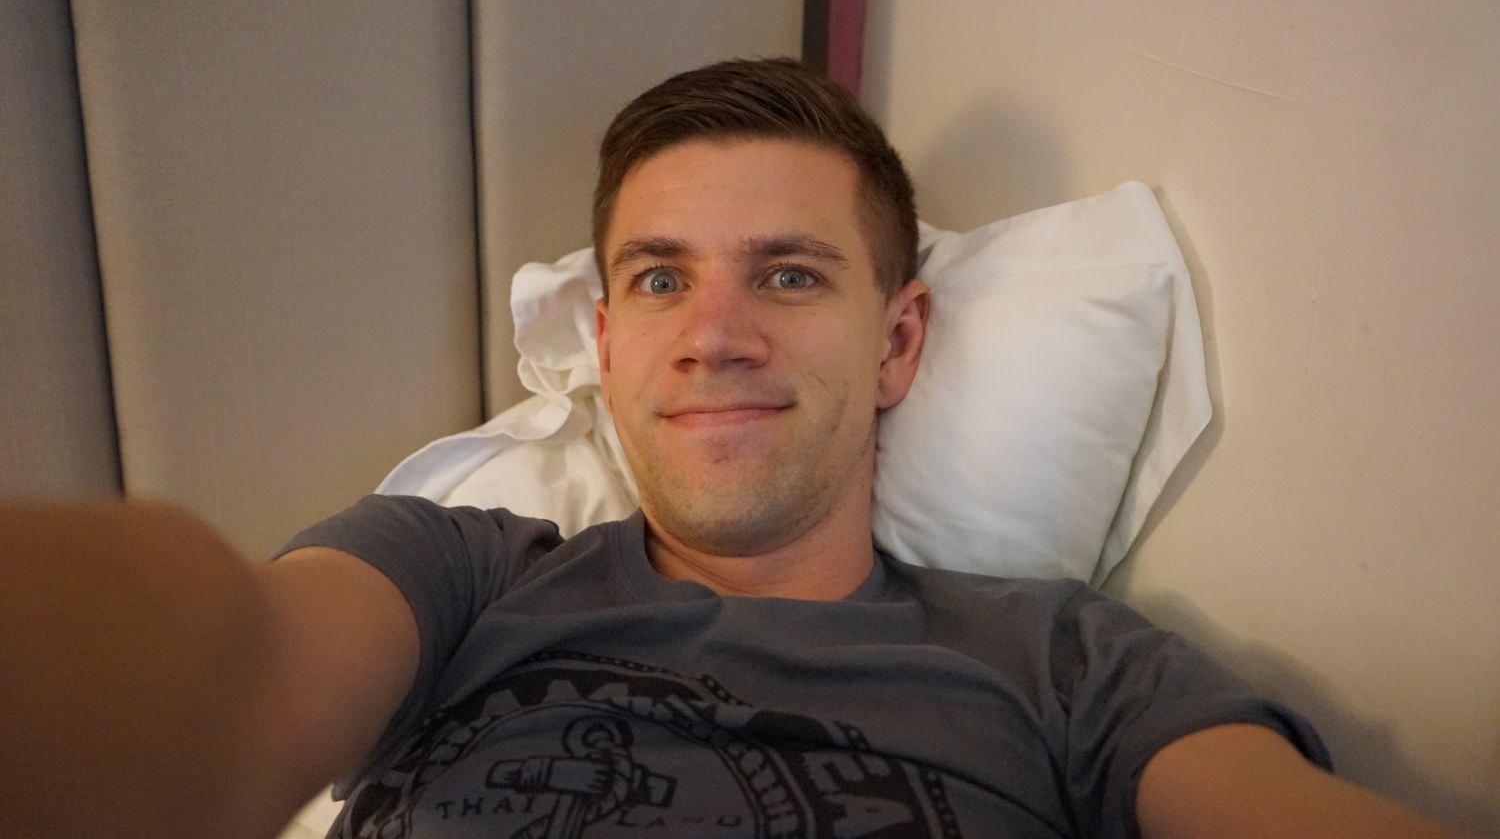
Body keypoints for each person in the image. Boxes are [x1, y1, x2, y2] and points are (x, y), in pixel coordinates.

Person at [0, 60, 1467, 839]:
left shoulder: (1067, 663)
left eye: (788, 274)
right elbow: (227, 678)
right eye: (659, 279)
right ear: (608, 346)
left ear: (896, 344)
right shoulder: (455, 575)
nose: (713, 334)